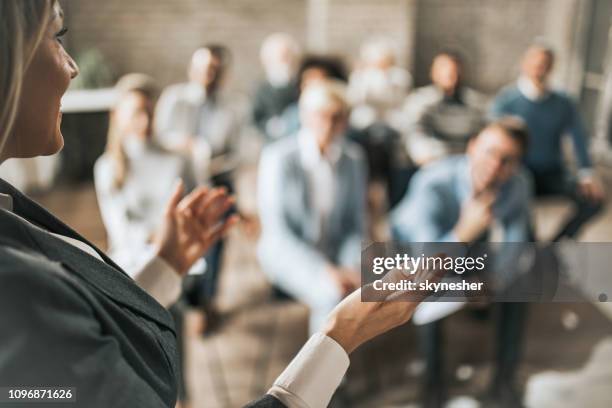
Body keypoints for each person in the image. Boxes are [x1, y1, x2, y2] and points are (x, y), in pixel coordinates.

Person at [0, 2, 433, 407]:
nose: (73, 67)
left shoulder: (12, 212)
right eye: (58, 36)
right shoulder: (19, 287)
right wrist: (341, 336)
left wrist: (165, 265)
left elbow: (84, 340)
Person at [391, 119, 532, 408]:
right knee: (429, 289)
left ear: (516, 165)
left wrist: (495, 280)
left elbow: (516, 244)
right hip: (413, 255)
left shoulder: (519, 184)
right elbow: (425, 262)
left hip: (469, 249)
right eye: (489, 152)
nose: (495, 166)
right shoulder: (432, 181)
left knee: (521, 281)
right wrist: (464, 231)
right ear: (471, 148)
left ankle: (504, 380)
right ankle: (432, 383)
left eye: (507, 160)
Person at [257, 80, 367, 333]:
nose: (328, 124)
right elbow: (278, 231)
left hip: (336, 250)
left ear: (345, 120)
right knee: (331, 295)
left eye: (336, 117)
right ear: (305, 116)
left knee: (368, 289)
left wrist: (350, 266)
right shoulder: (278, 158)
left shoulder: (354, 159)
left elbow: (355, 223)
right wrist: (325, 270)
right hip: (287, 252)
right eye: (321, 115)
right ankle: (328, 373)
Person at [491, 43, 606, 241]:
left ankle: (557, 244)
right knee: (519, 203)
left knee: (594, 199)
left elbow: (579, 138)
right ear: (524, 64)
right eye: (535, 63)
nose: (539, 68)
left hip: (553, 172)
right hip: (519, 173)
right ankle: (531, 247)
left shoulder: (563, 103)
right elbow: (494, 140)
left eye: (544, 64)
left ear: (551, 67)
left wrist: (586, 173)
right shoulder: (506, 101)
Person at [94, 73, 199, 286]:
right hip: (131, 260)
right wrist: (161, 237)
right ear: (117, 116)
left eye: (150, 112)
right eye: (137, 113)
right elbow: (121, 231)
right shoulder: (108, 167)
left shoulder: (179, 159)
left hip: (176, 252)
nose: (145, 121)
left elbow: (193, 207)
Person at [155, 44, 241, 184]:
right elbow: (158, 137)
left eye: (215, 70)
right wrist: (189, 145)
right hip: (172, 173)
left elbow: (236, 153)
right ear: (191, 69)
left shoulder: (232, 107)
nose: (209, 76)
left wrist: (212, 165)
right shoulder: (174, 98)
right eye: (204, 69)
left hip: (215, 176)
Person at [402, 51, 487, 166]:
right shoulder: (420, 101)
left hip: (468, 162)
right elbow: (413, 132)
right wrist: (424, 154)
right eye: (444, 69)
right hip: (433, 160)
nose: (450, 74)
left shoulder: (476, 103)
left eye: (455, 70)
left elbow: (484, 131)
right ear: (433, 73)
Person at [348, 36, 412, 131]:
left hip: (392, 120)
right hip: (366, 120)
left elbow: (400, 101)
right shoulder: (360, 76)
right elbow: (355, 99)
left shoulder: (400, 76)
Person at [252, 33, 301, 141]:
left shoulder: (300, 85)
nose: (286, 62)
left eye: (289, 57)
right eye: (283, 57)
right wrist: (270, 126)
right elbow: (255, 119)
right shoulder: (261, 89)